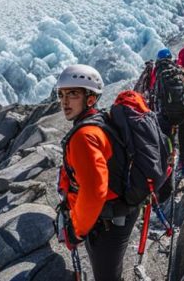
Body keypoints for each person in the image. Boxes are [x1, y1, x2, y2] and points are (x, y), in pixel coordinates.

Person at [56, 64, 140, 281]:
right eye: (62, 94)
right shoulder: (100, 120)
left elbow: (94, 191)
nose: (65, 101)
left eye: (73, 93)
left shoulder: (84, 136)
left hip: (108, 222)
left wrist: (76, 231)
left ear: (91, 99)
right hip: (120, 212)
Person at [151, 48, 184, 177]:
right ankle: (183, 167)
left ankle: (168, 168)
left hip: (166, 116)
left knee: (168, 142)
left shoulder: (156, 74)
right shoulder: (181, 72)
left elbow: (153, 97)